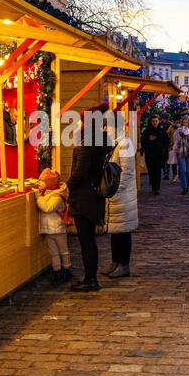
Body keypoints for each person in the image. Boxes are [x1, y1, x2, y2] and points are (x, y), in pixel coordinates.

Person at [66, 105, 112, 291]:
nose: (77, 123)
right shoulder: (100, 140)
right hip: (93, 197)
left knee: (86, 240)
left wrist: (66, 186)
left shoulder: (88, 142)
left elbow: (80, 172)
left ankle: (90, 279)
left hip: (84, 198)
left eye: (80, 120)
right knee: (88, 240)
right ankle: (89, 277)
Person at [104, 113, 139, 277]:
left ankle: (124, 264)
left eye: (107, 126)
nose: (105, 129)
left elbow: (127, 172)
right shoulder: (118, 144)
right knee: (115, 231)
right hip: (116, 197)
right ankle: (115, 261)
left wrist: (116, 190)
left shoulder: (125, 144)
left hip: (122, 197)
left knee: (123, 232)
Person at [35, 168, 72, 284]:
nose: (39, 183)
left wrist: (38, 197)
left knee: (63, 250)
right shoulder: (48, 193)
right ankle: (57, 271)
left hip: (58, 228)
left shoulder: (57, 197)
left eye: (42, 181)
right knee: (53, 252)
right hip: (49, 228)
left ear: (49, 183)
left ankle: (66, 270)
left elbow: (47, 208)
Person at [140, 114, 169, 194]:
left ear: (159, 121)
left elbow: (166, 143)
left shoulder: (162, 131)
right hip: (149, 155)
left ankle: (156, 188)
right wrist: (149, 140)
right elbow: (143, 142)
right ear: (150, 122)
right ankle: (153, 186)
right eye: (153, 121)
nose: (155, 123)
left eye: (156, 121)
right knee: (151, 171)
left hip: (159, 155)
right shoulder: (146, 131)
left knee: (158, 171)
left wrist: (164, 152)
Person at [173, 114, 189, 194]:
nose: (185, 124)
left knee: (188, 171)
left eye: (187, 122)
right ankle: (184, 187)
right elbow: (175, 141)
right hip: (180, 151)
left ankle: (187, 186)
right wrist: (180, 135)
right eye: (184, 122)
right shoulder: (178, 130)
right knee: (183, 170)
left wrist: (188, 134)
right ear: (181, 122)